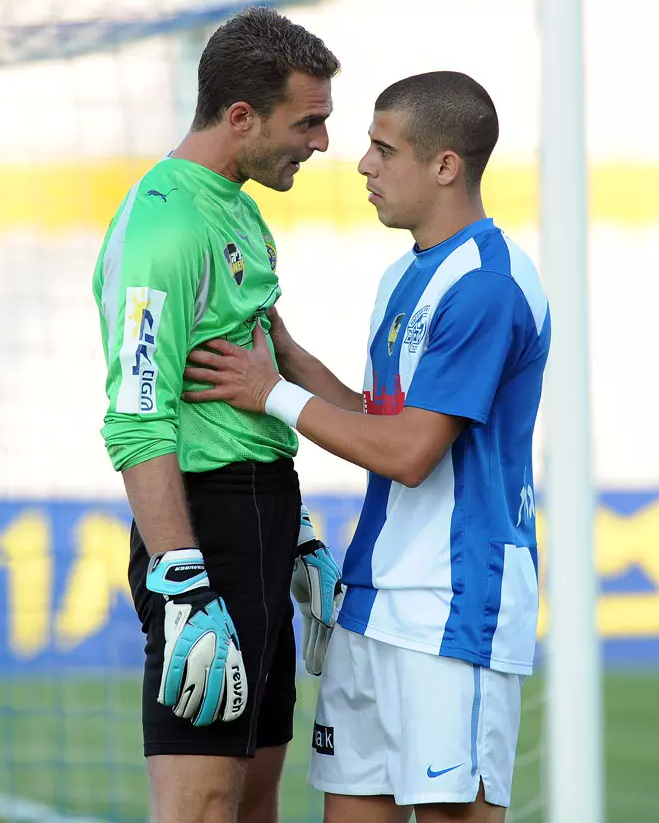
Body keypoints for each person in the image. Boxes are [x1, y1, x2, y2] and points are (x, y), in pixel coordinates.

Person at [182, 71, 551, 823]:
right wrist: (290, 360)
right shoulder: (403, 275)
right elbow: (379, 417)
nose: (362, 164)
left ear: (445, 164)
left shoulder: (487, 285)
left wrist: (271, 393)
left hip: (453, 614)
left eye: (384, 149)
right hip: (371, 603)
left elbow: (410, 452)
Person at [91, 8, 343, 823]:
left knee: (257, 793)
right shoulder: (163, 226)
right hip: (207, 533)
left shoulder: (239, 208)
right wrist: (183, 581)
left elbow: (264, 369)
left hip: (264, 512)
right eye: (308, 121)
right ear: (242, 117)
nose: (322, 143)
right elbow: (137, 416)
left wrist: (293, 522)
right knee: (201, 806)